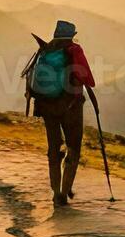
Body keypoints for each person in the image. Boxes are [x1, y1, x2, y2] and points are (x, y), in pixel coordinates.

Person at [31, 20, 97, 207]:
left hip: (46, 107)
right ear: (71, 35)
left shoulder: (44, 50)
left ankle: (55, 192)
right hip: (71, 107)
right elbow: (88, 80)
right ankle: (65, 191)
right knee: (73, 148)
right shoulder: (73, 50)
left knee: (54, 149)